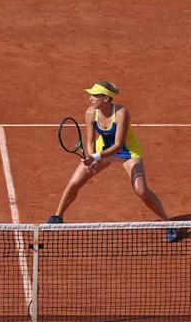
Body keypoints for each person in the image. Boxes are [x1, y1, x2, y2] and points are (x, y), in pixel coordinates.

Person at [46, 81, 179, 242]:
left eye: (94, 95)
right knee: (74, 182)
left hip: (127, 151)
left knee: (141, 190)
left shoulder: (122, 113)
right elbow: (90, 141)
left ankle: (169, 223)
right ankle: (57, 216)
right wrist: (91, 157)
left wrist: (96, 157)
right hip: (102, 150)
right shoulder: (90, 113)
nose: (90, 98)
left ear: (106, 99)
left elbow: (118, 145)